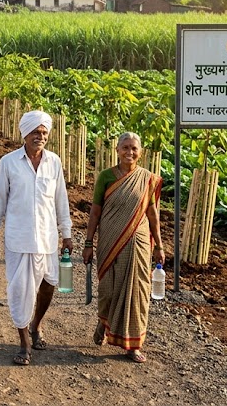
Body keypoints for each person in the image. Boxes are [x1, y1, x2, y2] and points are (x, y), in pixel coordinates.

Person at [0, 110, 72, 366]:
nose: (40, 136)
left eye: (44, 133)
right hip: (18, 239)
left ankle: (36, 324)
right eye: (36, 132)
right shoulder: (9, 162)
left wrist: (66, 233)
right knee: (21, 290)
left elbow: (61, 201)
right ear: (25, 134)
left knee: (49, 283)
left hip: (47, 239)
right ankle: (24, 342)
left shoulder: (54, 162)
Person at [82, 132, 164, 364]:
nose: (130, 152)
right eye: (125, 147)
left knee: (136, 291)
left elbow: (152, 214)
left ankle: (133, 344)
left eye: (134, 148)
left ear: (141, 152)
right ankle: (104, 321)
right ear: (117, 150)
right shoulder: (106, 177)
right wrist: (88, 242)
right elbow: (95, 212)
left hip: (138, 242)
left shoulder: (147, 179)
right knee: (108, 290)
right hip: (109, 240)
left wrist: (159, 245)